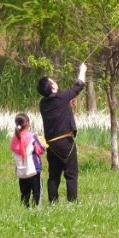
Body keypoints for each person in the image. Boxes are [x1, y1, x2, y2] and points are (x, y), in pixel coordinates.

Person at [37, 62, 86, 203]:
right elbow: (79, 85)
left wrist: (67, 106)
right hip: (65, 142)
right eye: (53, 81)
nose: (55, 81)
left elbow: (58, 108)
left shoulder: (43, 104)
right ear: (52, 87)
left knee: (53, 175)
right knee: (71, 175)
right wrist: (82, 70)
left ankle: (53, 202)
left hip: (51, 145)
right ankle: (72, 203)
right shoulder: (62, 97)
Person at [10, 113, 46, 207]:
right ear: (28, 124)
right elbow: (40, 149)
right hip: (34, 169)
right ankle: (36, 210)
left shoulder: (14, 139)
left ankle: (25, 209)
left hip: (21, 171)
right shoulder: (32, 136)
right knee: (37, 192)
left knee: (24, 193)